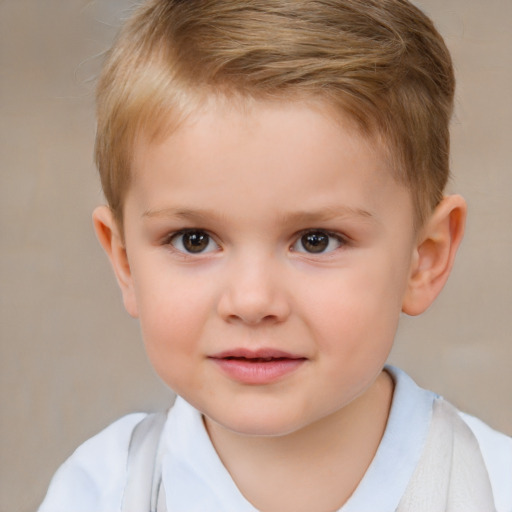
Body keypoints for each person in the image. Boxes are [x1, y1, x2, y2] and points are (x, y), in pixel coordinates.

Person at [38, 0, 512, 510]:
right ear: (126, 261)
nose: (251, 300)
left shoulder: (492, 486)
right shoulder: (98, 492)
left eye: (316, 240)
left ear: (424, 257)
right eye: (194, 239)